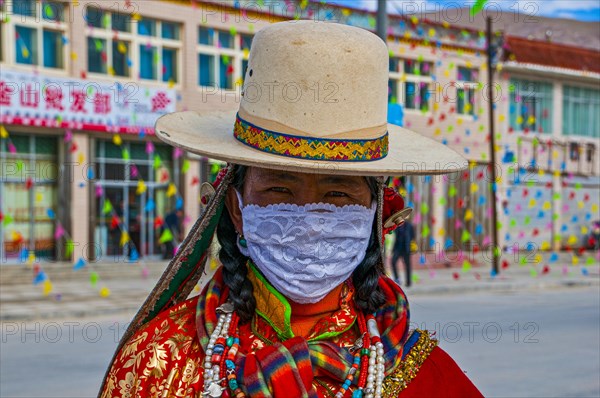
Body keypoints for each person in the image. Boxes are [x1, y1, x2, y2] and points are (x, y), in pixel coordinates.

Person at [99, 21, 481, 397]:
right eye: (280, 189)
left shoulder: (429, 379)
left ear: (373, 214)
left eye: (338, 196)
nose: (309, 222)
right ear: (236, 208)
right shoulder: (158, 360)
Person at [391, 221, 415, 287]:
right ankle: (397, 278)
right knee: (393, 262)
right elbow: (395, 237)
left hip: (406, 249)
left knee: (407, 265)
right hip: (398, 248)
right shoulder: (397, 226)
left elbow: (413, 236)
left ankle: (408, 282)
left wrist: (409, 242)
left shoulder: (409, 225)